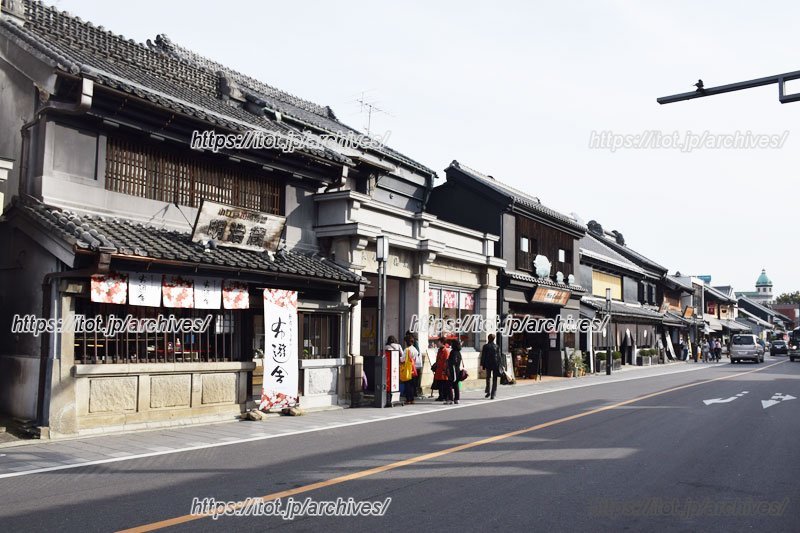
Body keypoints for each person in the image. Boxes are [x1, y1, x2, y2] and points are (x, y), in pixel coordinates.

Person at [400, 335, 420, 404]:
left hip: (407, 369)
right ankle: (412, 399)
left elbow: (403, 359)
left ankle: (408, 399)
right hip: (413, 368)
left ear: (407, 342)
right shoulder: (415, 349)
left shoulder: (407, 350)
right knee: (412, 385)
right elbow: (416, 358)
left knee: (407, 384)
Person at [480, 334, 500, 399]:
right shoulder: (496, 346)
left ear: (488, 338)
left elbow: (483, 356)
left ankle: (488, 391)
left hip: (488, 364)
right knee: (495, 379)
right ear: (494, 339)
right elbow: (499, 356)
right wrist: (500, 364)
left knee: (488, 377)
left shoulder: (485, 346)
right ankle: (493, 393)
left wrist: (482, 364)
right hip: (495, 364)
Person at [444, 339, 464, 405]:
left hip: (453, 370)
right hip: (457, 370)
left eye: (452, 344)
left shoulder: (453, 352)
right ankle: (456, 399)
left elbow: (453, 361)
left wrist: (448, 361)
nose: (451, 345)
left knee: (449, 384)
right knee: (455, 385)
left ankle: (450, 399)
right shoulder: (458, 352)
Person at [432, 337, 451, 401]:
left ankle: (444, 396)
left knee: (444, 384)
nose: (438, 343)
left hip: (443, 370)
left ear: (442, 342)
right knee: (440, 383)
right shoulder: (440, 350)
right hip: (439, 370)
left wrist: (445, 370)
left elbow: (447, 361)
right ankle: (441, 396)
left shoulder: (445, 351)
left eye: (439, 342)